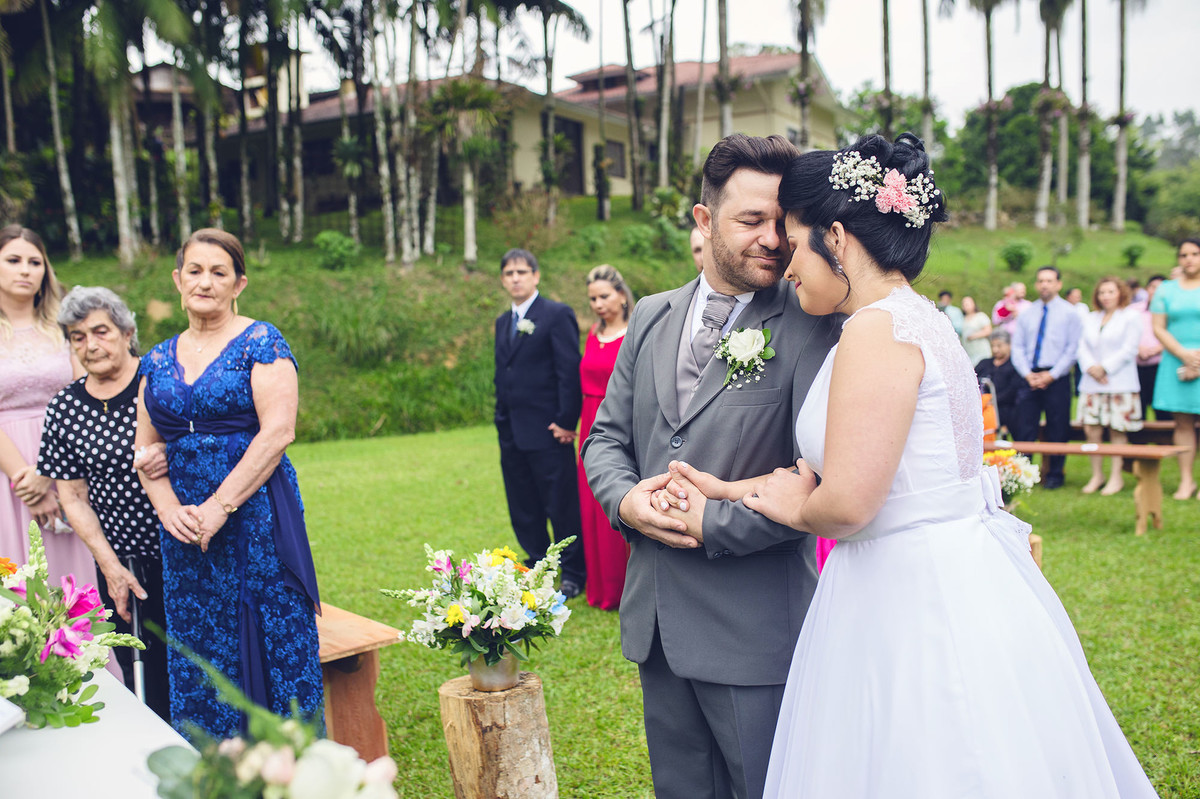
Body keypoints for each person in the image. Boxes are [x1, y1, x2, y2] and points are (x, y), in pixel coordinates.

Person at [658, 133, 1157, 798]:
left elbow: (849, 504)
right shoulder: (915, 319)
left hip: (905, 594)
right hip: (945, 570)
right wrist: (726, 487)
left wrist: (793, 509)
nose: (787, 265)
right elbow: (837, 468)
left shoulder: (874, 330)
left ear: (836, 237)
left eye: (797, 241)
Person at [581, 133, 840, 799]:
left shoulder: (812, 322)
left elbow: (815, 478)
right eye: (751, 220)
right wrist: (626, 501)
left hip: (753, 630)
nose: (773, 239)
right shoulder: (649, 316)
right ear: (703, 220)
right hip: (657, 624)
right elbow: (605, 440)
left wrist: (711, 521)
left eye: (781, 221)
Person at [136, 228, 323, 739]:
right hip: (184, 532)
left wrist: (221, 505)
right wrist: (167, 507)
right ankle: (216, 770)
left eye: (219, 272)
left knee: (271, 633)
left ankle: (292, 768)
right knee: (201, 647)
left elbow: (279, 430)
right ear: (178, 280)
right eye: (195, 270)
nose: (205, 282)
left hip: (257, 515)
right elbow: (145, 449)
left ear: (239, 283)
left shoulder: (261, 341)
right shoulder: (155, 359)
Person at [37, 287, 171, 720]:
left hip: (186, 546)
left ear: (127, 332)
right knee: (143, 668)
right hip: (123, 560)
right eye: (78, 337)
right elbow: (72, 497)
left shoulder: (162, 382)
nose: (90, 345)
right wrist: (110, 566)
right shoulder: (64, 408)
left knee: (201, 659)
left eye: (101, 331)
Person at [0, 225, 92, 584]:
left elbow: (84, 397)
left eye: (35, 262)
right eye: (13, 260)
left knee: (69, 582)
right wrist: (25, 481)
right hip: (7, 470)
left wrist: (48, 472)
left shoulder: (65, 328)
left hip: (66, 462)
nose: (26, 270)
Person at [493, 248, 587, 597]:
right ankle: (535, 563)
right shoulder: (504, 322)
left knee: (560, 504)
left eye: (521, 271)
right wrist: (499, 419)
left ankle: (574, 571)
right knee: (522, 505)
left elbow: (568, 370)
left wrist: (565, 420)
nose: (515, 277)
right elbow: (503, 374)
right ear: (503, 280)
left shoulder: (556, 314)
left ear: (536, 275)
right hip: (511, 431)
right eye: (508, 273)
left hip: (549, 432)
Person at [577, 265, 633, 610]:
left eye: (604, 296)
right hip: (587, 419)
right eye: (592, 299)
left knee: (616, 498)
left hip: (618, 421)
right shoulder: (592, 335)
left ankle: (623, 586)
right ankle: (598, 585)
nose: (598, 304)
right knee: (590, 504)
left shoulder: (633, 334)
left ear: (622, 295)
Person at [1010, 266, 1082, 489]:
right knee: (1025, 427)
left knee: (1057, 427)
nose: (1044, 285)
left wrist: (1051, 375)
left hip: (1056, 377)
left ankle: (1055, 475)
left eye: (1049, 281)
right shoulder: (1027, 314)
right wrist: (1027, 374)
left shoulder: (1070, 313)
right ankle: (1023, 475)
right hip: (1029, 375)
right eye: (1041, 280)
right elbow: (1018, 347)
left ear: (1058, 284)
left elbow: (1072, 349)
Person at [1076, 276, 1144, 495]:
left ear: (1120, 293)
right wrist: (1091, 367)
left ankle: (1116, 477)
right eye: (1102, 292)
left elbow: (1130, 348)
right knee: (1092, 430)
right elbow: (1081, 346)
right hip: (1092, 382)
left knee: (1117, 429)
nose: (1105, 296)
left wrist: (1105, 367)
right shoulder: (1090, 317)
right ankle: (1097, 474)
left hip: (1119, 381)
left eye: (1110, 292)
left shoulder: (1130, 317)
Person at [1151, 237, 1200, 499]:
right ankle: (1186, 481)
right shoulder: (1166, 290)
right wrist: (1183, 354)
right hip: (1175, 358)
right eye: (1184, 255)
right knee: (1182, 422)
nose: (1189, 259)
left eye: (1194, 253)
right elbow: (1158, 327)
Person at [1135, 274, 1170, 421]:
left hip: (1161, 365)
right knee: (1138, 410)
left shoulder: (1171, 312)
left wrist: (1158, 348)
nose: (1155, 291)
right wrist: (1138, 348)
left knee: (1163, 411)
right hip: (1136, 366)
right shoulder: (1133, 310)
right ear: (1146, 289)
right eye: (1153, 287)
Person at [974, 329, 1020, 437]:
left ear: (1008, 345)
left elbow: (1013, 389)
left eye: (999, 346)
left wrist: (993, 400)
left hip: (1005, 409)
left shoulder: (1014, 365)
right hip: (981, 407)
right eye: (993, 346)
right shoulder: (984, 363)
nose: (995, 350)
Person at [959, 294, 992, 365]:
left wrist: (973, 336)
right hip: (968, 352)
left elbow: (988, 330)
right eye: (964, 304)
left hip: (981, 351)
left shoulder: (980, 316)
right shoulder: (962, 319)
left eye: (967, 303)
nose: (965, 306)